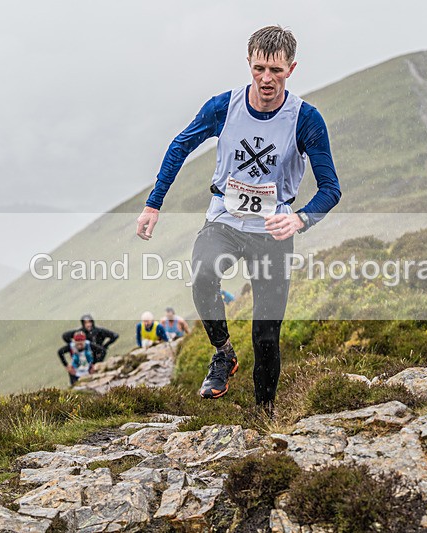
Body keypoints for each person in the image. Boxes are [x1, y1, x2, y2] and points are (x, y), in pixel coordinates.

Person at [135, 26, 341, 416]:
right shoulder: (223, 107)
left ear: (291, 69)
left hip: (272, 231)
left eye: (276, 71)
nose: (266, 79)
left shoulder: (305, 119)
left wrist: (299, 220)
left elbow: (331, 188)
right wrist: (153, 203)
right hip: (225, 220)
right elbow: (181, 145)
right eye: (259, 68)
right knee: (203, 272)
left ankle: (265, 417)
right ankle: (223, 353)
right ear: (248, 63)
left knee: (266, 335)